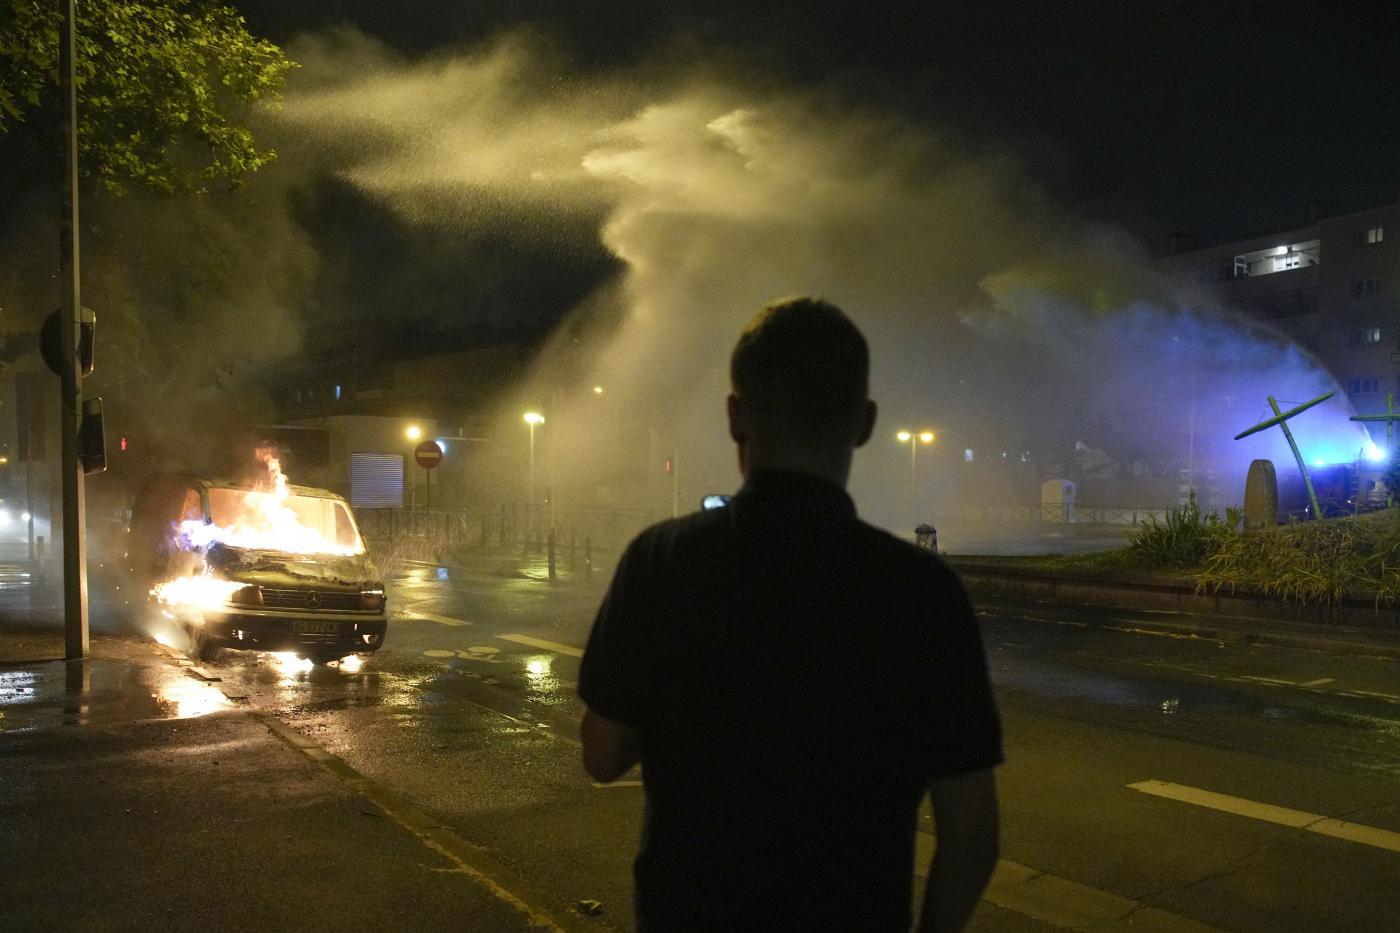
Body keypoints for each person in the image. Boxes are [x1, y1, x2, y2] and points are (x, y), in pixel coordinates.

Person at [578, 296, 1002, 932]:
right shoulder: (922, 590)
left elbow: (602, 755)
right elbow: (970, 839)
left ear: (736, 416)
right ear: (863, 422)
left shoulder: (661, 560)